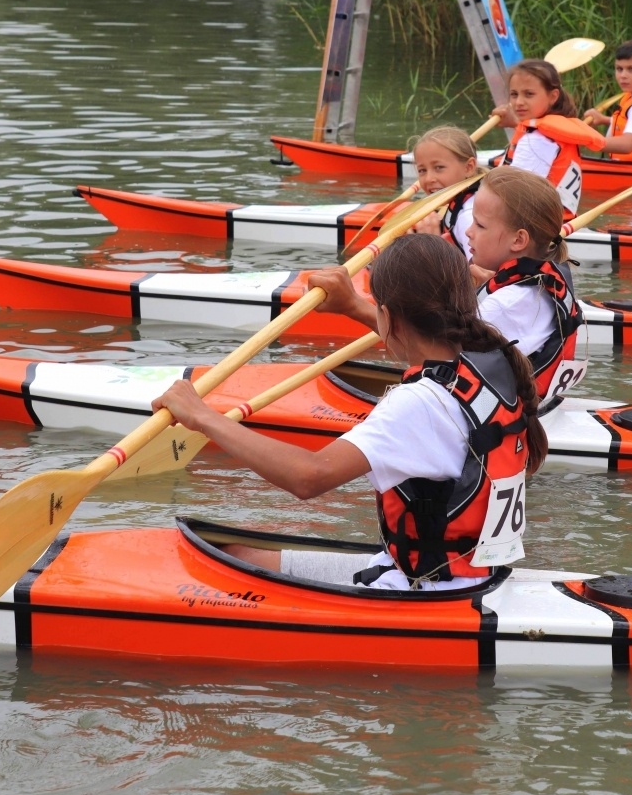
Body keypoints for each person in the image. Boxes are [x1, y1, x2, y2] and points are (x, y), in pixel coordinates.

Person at [152, 234, 547, 592]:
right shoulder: (493, 363)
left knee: (220, 568)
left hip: (426, 591)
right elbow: (415, 343)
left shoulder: (417, 404)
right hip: (473, 576)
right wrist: (352, 307)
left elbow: (309, 477)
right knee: (238, 553)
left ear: (389, 317)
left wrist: (202, 416)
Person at [310, 167, 581, 401]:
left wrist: (352, 305)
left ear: (519, 241)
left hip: (503, 422)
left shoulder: (507, 304)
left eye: (480, 225)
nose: (468, 231)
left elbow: (430, 352)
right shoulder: (531, 283)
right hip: (529, 401)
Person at [492, 58, 606, 219]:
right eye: (514, 94)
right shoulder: (550, 132)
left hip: (534, 226)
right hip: (558, 221)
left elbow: (514, 195)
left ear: (553, 96)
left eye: (529, 94)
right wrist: (517, 124)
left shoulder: (536, 140)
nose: (518, 102)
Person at [409, 125, 482, 258]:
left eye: (439, 167)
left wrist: (434, 245)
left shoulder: (468, 216)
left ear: (469, 167)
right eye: (422, 170)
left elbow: (481, 275)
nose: (429, 179)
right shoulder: (459, 203)